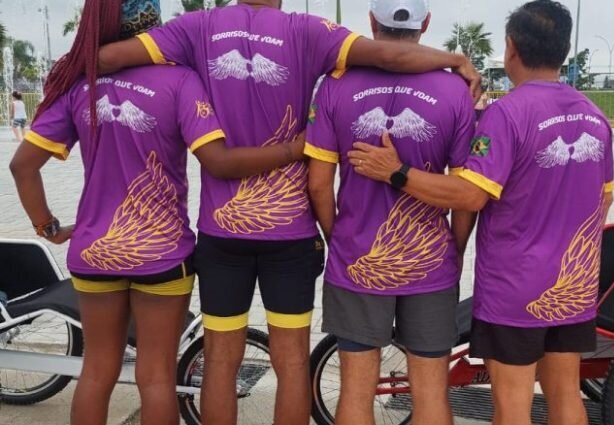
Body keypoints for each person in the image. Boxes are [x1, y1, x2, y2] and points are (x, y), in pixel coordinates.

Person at [95, 2, 481, 424]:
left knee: (221, 359)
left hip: (222, 236)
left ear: (373, 20)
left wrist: (340, 238)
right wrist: (454, 59)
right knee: (294, 361)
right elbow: (390, 57)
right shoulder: (308, 31)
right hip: (292, 234)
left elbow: (107, 58)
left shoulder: (198, 27)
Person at [8, 1, 306, 424]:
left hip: (95, 251)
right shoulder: (180, 81)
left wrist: (47, 226)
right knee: (156, 376)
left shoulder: (81, 86)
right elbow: (218, 161)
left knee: (96, 371)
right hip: (163, 254)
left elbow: (22, 166)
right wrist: (294, 149)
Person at [347, 2, 614, 425]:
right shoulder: (595, 116)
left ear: (511, 48)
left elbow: (470, 195)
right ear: (564, 49)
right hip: (574, 288)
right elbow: (605, 199)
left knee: (512, 406)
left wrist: (396, 172)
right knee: (566, 397)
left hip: (516, 291)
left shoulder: (507, 113)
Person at [306, 2, 476, 424]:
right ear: (426, 24)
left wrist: (339, 238)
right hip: (431, 264)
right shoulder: (456, 89)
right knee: (431, 395)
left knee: (355, 392)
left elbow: (318, 185)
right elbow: (465, 193)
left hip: (357, 260)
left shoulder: (335, 84)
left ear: (371, 21)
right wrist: (453, 249)